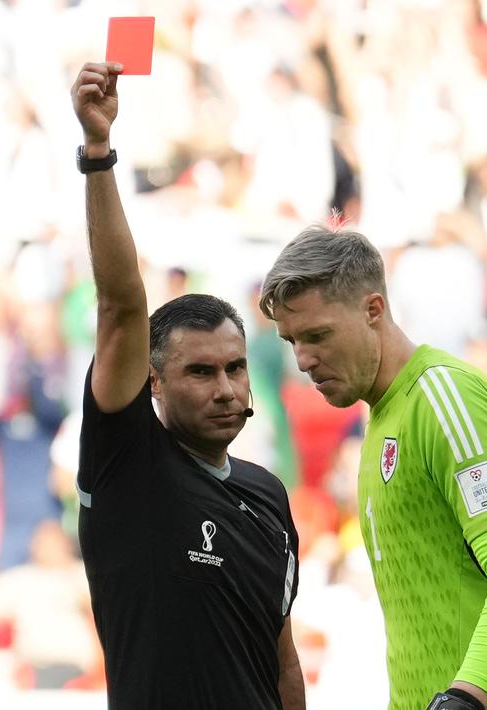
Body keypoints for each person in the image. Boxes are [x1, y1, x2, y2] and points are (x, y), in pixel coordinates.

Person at [259, 225, 487, 710]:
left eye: (318, 335)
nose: (304, 359)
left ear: (374, 310)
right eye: (292, 342)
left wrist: (463, 698)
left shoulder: (444, 400)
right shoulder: (380, 424)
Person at [70, 62, 304, 710]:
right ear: (153, 384)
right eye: (199, 372)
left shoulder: (268, 497)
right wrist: (98, 153)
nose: (225, 387)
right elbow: (120, 305)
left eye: (233, 368)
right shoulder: (128, 464)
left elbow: (283, 662)